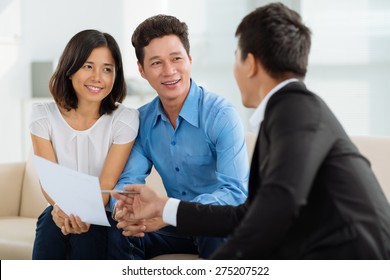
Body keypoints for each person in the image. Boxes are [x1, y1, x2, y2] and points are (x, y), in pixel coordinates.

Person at [113, 3, 390, 259]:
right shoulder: (290, 109)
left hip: (355, 255)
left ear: (251, 63)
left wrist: (170, 213)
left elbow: (271, 209)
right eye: (156, 62)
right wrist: (159, 210)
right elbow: (254, 212)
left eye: (236, 57)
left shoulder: (294, 112)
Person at [108, 14, 249, 259]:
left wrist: (170, 211)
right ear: (142, 70)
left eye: (176, 59)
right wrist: (124, 209)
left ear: (190, 60)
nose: (169, 71)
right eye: (156, 63)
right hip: (172, 228)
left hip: (215, 224)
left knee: (213, 231)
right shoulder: (141, 122)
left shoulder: (221, 115)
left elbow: (235, 192)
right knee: (116, 231)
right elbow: (129, 180)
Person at [30, 29, 139, 259]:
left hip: (101, 212)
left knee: (89, 231)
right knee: (50, 222)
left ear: (115, 75)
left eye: (107, 69)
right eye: (88, 66)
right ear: (69, 69)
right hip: (60, 209)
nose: (98, 77)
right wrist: (60, 210)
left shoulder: (125, 119)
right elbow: (49, 180)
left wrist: (78, 215)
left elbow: (105, 187)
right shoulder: (42, 115)